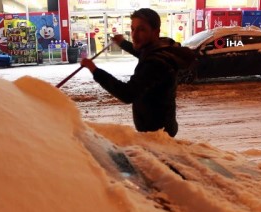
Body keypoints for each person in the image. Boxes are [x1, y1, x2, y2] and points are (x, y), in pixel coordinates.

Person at [80, 8, 195, 137]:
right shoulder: (162, 47)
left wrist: (95, 70)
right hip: (163, 127)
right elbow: (142, 52)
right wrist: (122, 43)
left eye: (141, 29)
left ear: (155, 32)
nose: (134, 35)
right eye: (133, 29)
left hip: (156, 134)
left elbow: (127, 94)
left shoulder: (155, 63)